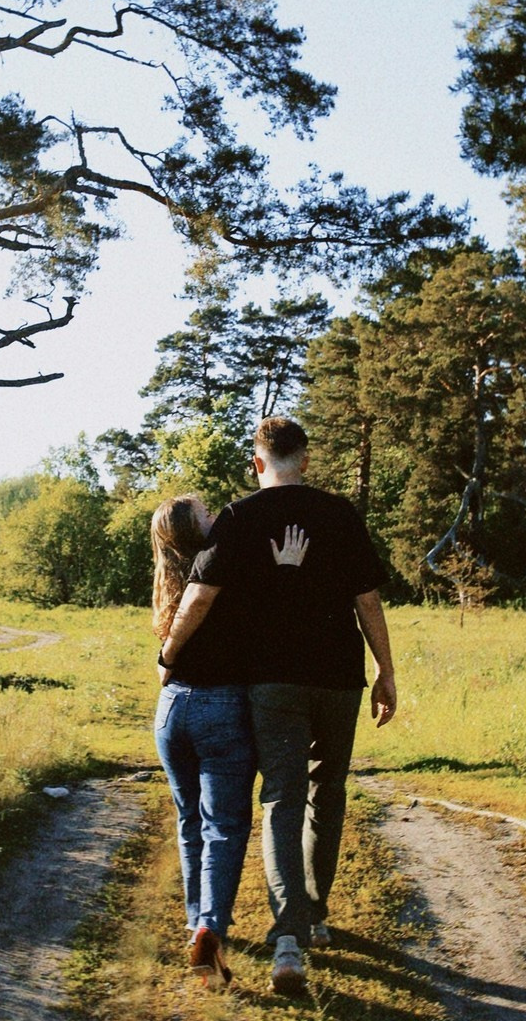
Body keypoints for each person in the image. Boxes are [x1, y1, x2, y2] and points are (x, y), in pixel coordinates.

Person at [157, 417, 396, 995]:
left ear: (256, 462)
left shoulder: (238, 518)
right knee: (327, 792)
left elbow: (199, 594)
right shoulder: (341, 514)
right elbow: (368, 601)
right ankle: (314, 915)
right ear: (306, 460)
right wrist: (386, 672)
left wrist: (168, 655)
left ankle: (286, 940)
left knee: (282, 798)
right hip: (340, 679)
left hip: (273, 685)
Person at [150, 494, 308, 989]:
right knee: (226, 826)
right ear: (196, 530)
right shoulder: (225, 570)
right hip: (223, 709)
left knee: (190, 819)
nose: (216, 513)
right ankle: (209, 930)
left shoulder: (169, 582)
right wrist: (286, 570)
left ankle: (195, 922)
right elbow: (277, 619)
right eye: (205, 513)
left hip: (172, 709)